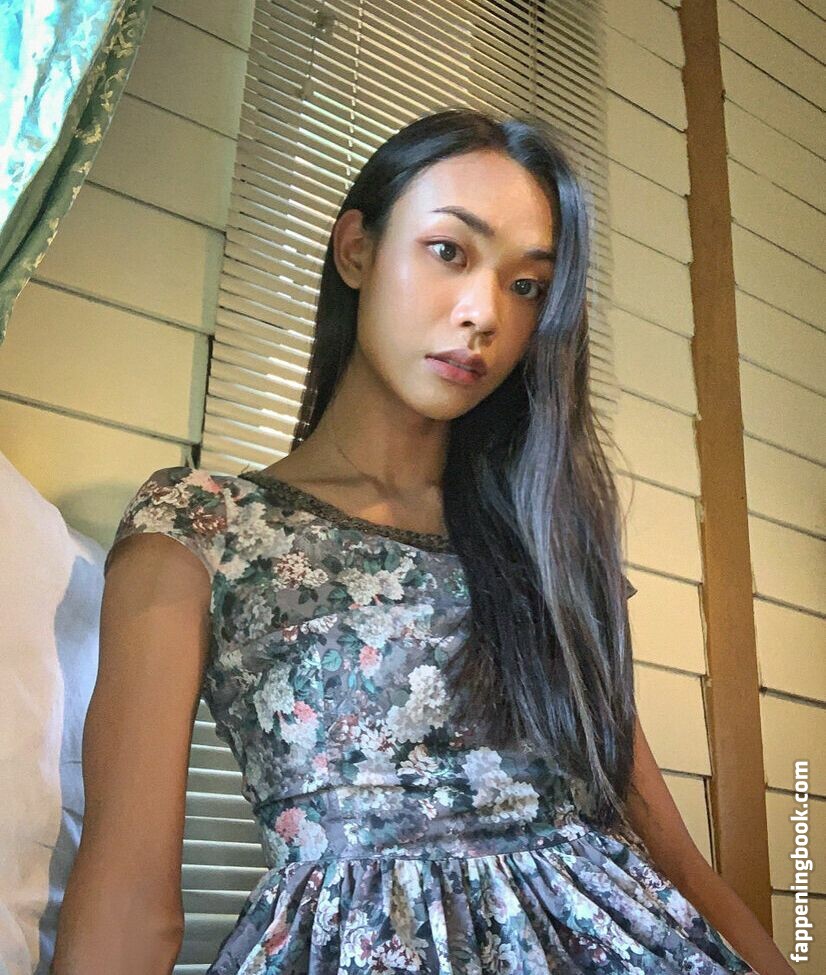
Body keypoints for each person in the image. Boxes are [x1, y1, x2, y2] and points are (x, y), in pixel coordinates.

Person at [51, 109, 793, 974]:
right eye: (449, 250)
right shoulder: (203, 524)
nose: (484, 313)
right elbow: (130, 904)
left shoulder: (547, 539)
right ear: (356, 250)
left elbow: (668, 850)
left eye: (527, 286)